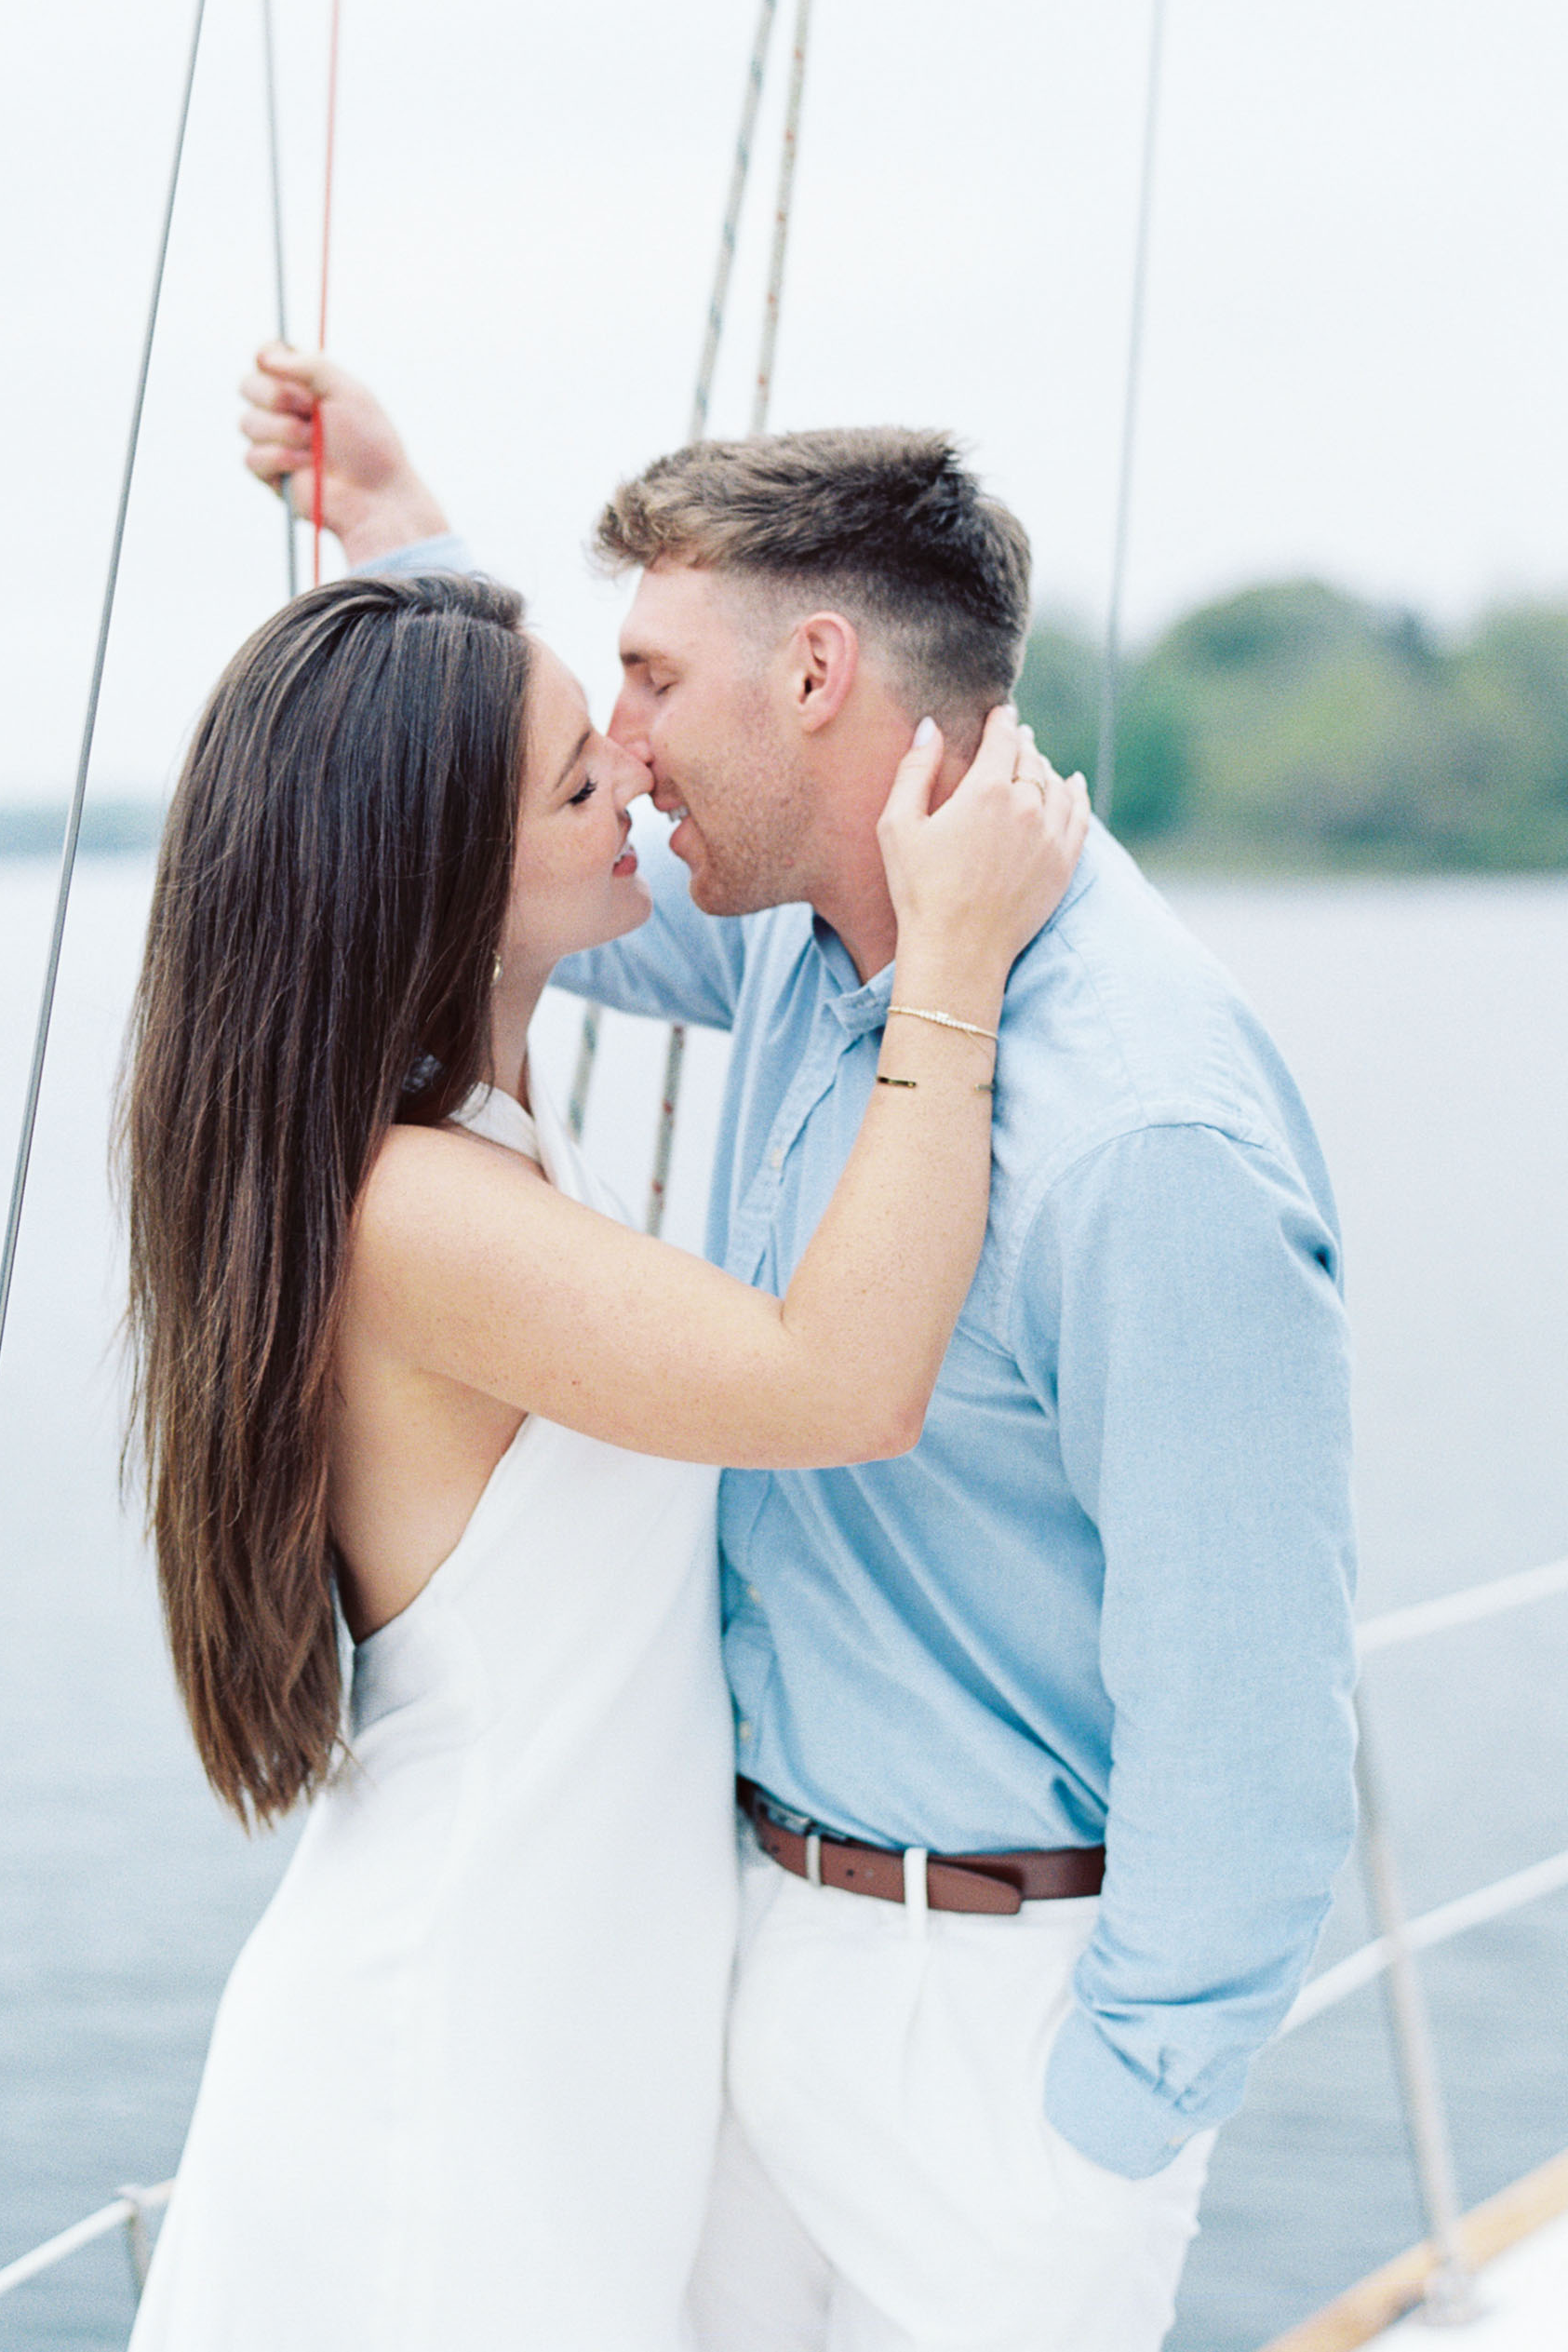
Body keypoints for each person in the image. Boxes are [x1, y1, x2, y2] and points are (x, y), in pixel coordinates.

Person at [236, 347, 1360, 2352]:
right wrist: (396, 523)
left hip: (1000, 2029)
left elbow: (1254, 1728)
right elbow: (496, 855)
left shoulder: (1138, 1132)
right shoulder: (787, 937)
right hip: (753, 1967)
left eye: (654, 679)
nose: (628, 743)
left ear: (819, 674)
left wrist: (1103, 2135)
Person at [121, 567, 1086, 2352]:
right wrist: (956, 961)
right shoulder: (419, 1213)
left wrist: (408, 540)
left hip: (562, 2018)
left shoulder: (463, 1133)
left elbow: (437, 745)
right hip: (457, 2046)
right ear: (444, 886)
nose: (636, 776)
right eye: (583, 779)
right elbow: (841, 1380)